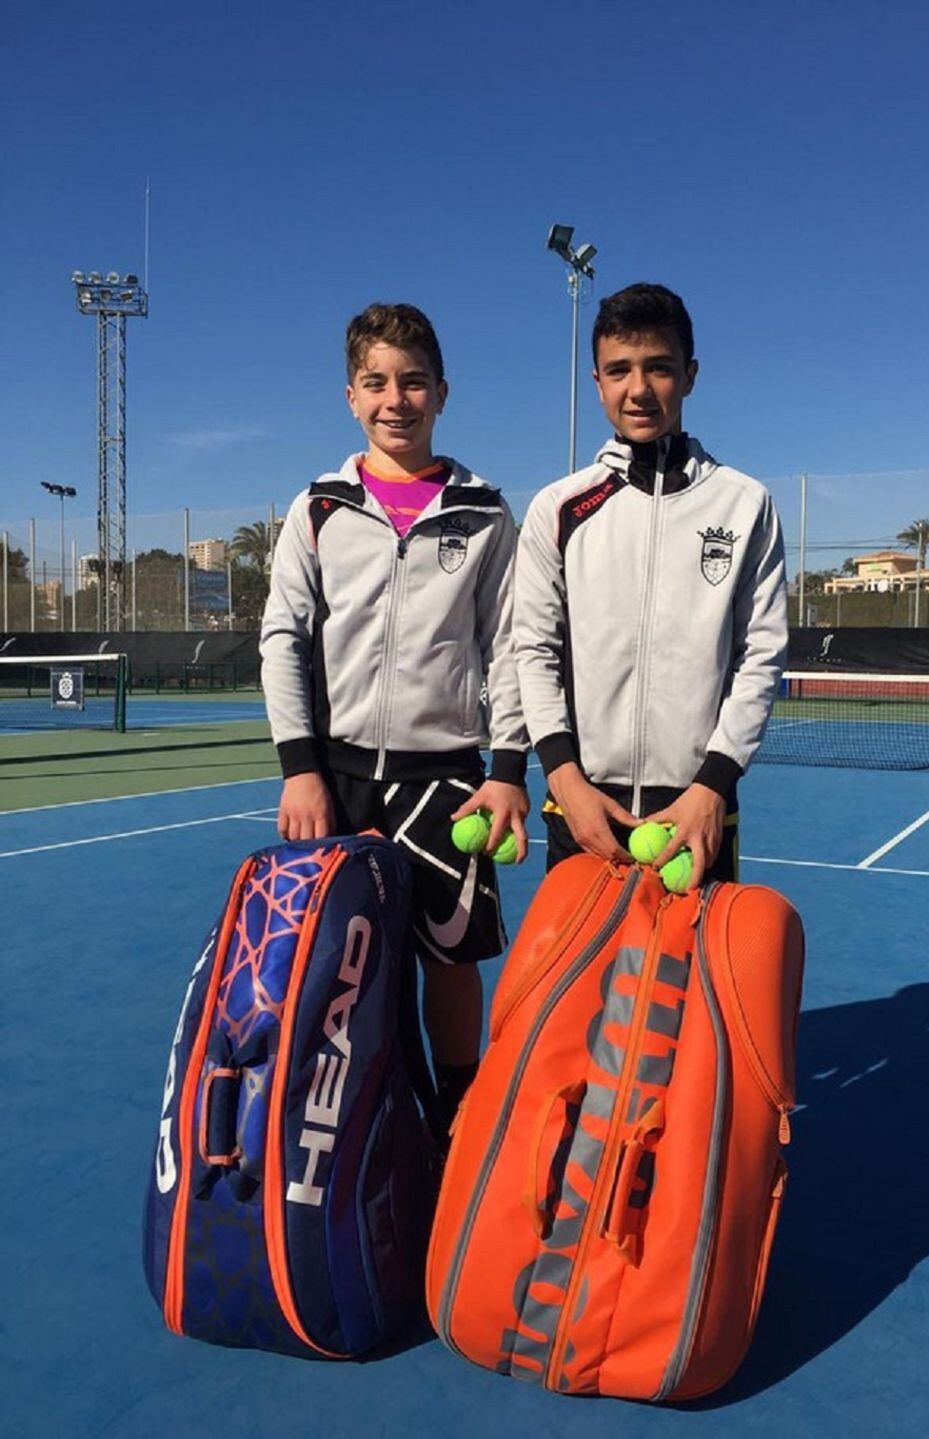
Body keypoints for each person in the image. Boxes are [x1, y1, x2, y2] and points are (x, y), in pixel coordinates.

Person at [260, 301, 529, 1130]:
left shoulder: (483, 512)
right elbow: (281, 636)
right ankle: (344, 1122)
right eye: (376, 382)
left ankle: (456, 1117)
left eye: (413, 382)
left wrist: (511, 773)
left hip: (445, 780)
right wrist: (301, 768)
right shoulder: (318, 507)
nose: (395, 399)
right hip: (335, 781)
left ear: (441, 393)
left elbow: (514, 645)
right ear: (350, 396)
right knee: (331, 962)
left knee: (451, 961)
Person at [513, 282, 787, 889]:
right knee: (583, 983)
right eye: (620, 370)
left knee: (686, 985)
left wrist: (713, 786)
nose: (638, 389)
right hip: (583, 806)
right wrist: (564, 780)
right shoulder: (558, 508)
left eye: (658, 368)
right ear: (598, 382)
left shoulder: (745, 504)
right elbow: (531, 650)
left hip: (698, 808)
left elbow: (761, 656)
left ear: (689, 375)